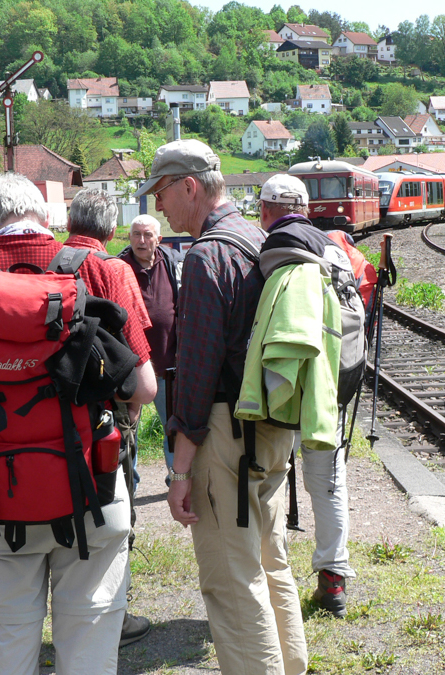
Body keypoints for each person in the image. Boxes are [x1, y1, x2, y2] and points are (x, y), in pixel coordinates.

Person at [0, 173, 157, 675]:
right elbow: (144, 388)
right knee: (91, 645)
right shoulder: (101, 270)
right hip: (91, 493)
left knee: (7, 649)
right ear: (46, 217)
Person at [134, 140, 308, 674]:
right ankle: (292, 665)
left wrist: (178, 469)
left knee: (230, 583)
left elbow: (197, 374)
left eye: (160, 193)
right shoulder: (257, 238)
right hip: (273, 428)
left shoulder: (209, 256)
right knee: (269, 561)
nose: (156, 208)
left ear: (189, 186)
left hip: (225, 438)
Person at [257, 173, 356, 618]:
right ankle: (333, 579)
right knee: (329, 481)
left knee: (268, 477)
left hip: (291, 383)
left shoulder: (276, 247)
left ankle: (264, 575)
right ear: (306, 206)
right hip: (336, 380)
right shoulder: (334, 245)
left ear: (265, 210)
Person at [64, 187, 153, 646]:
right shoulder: (113, 269)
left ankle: (65, 611)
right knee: (115, 514)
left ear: (69, 224)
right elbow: (141, 372)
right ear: (113, 230)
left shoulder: (49, 263)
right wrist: (134, 408)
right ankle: (112, 617)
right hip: (106, 420)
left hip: (52, 418)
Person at [117, 214, 182, 483]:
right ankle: (129, 480)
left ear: (159, 238)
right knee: (128, 427)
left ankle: (176, 478)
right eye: (136, 234)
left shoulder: (173, 262)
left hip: (168, 362)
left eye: (147, 235)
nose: (141, 241)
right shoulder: (118, 267)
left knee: (172, 428)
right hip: (132, 365)